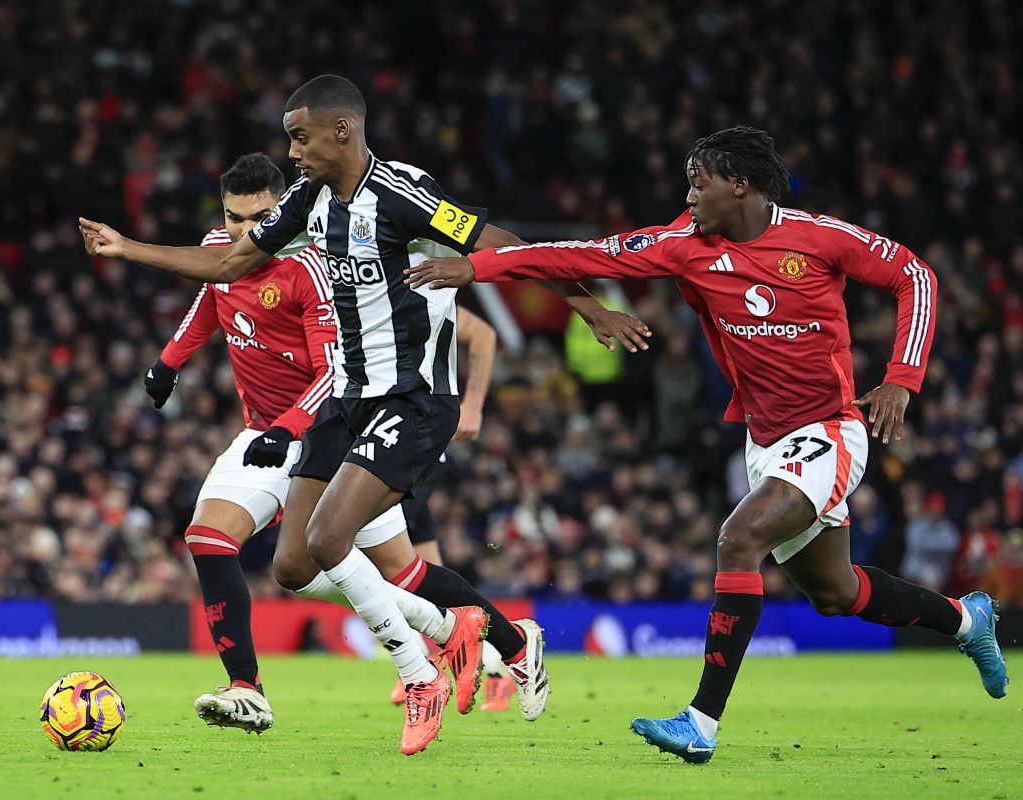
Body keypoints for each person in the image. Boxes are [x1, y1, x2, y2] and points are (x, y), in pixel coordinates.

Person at [81, 74, 651, 754]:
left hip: (410, 400)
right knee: (294, 566)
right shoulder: (308, 198)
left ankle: (420, 678)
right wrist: (128, 249)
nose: (292, 153)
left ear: (341, 132)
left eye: (300, 138)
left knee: (328, 542)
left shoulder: (401, 195)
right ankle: (490, 636)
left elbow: (500, 241)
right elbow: (231, 262)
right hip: (345, 401)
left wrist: (587, 305)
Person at [406, 125, 1009, 763]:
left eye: (700, 182)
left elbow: (915, 276)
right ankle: (967, 621)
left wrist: (901, 379)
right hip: (766, 441)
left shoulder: (821, 238)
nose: (688, 195)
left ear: (739, 184)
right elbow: (579, 255)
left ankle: (701, 722)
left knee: (737, 539)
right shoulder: (685, 246)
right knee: (835, 593)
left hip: (830, 430)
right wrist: (475, 266)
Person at [143, 152, 489, 736]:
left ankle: (482, 636)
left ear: (282, 210)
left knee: (398, 569)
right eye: (232, 218)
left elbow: (333, 369)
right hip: (263, 434)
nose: (244, 233)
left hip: (332, 432)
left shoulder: (312, 264)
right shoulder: (224, 250)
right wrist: (170, 359)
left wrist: (289, 428)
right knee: (210, 537)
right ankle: (247, 689)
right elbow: (210, 293)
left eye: (258, 219)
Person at [385, 308, 515, 712]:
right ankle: (478, 664)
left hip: (416, 437)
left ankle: (477, 661)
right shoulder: (358, 285)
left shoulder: (419, 288)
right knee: (423, 570)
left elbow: (485, 335)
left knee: (379, 550)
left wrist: (473, 405)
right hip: (387, 435)